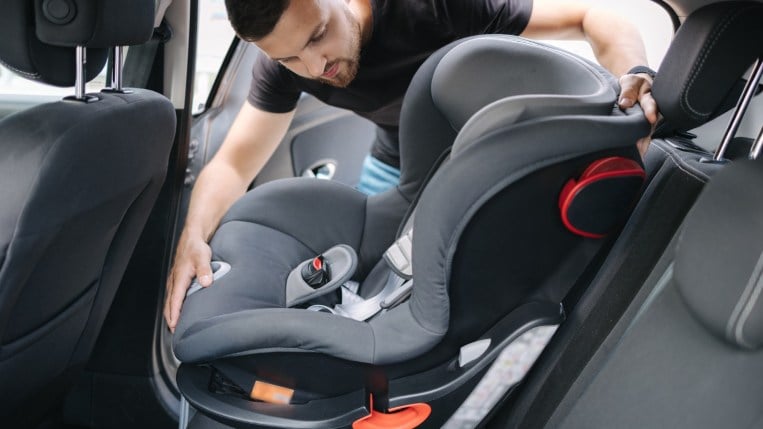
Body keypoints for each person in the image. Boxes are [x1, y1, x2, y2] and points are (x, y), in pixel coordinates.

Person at [164, 0, 659, 332]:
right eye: (291, 57)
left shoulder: (434, 6)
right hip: (399, 161)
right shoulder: (285, 67)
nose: (316, 68)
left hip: (487, 151)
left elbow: (592, 15)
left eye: (318, 36)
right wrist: (193, 237)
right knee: (370, 282)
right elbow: (233, 163)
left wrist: (633, 76)